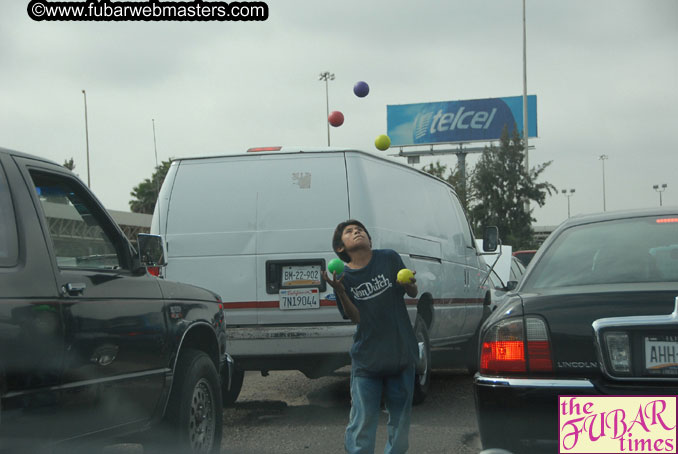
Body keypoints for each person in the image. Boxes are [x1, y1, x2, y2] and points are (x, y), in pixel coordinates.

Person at [322, 219, 419, 454]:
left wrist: (409, 284)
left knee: (400, 422)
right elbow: (356, 318)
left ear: (369, 239)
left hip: (401, 354)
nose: (356, 232)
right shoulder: (342, 277)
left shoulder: (388, 258)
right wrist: (341, 292)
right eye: (349, 232)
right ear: (340, 248)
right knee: (363, 420)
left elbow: (413, 291)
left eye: (360, 230)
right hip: (368, 359)